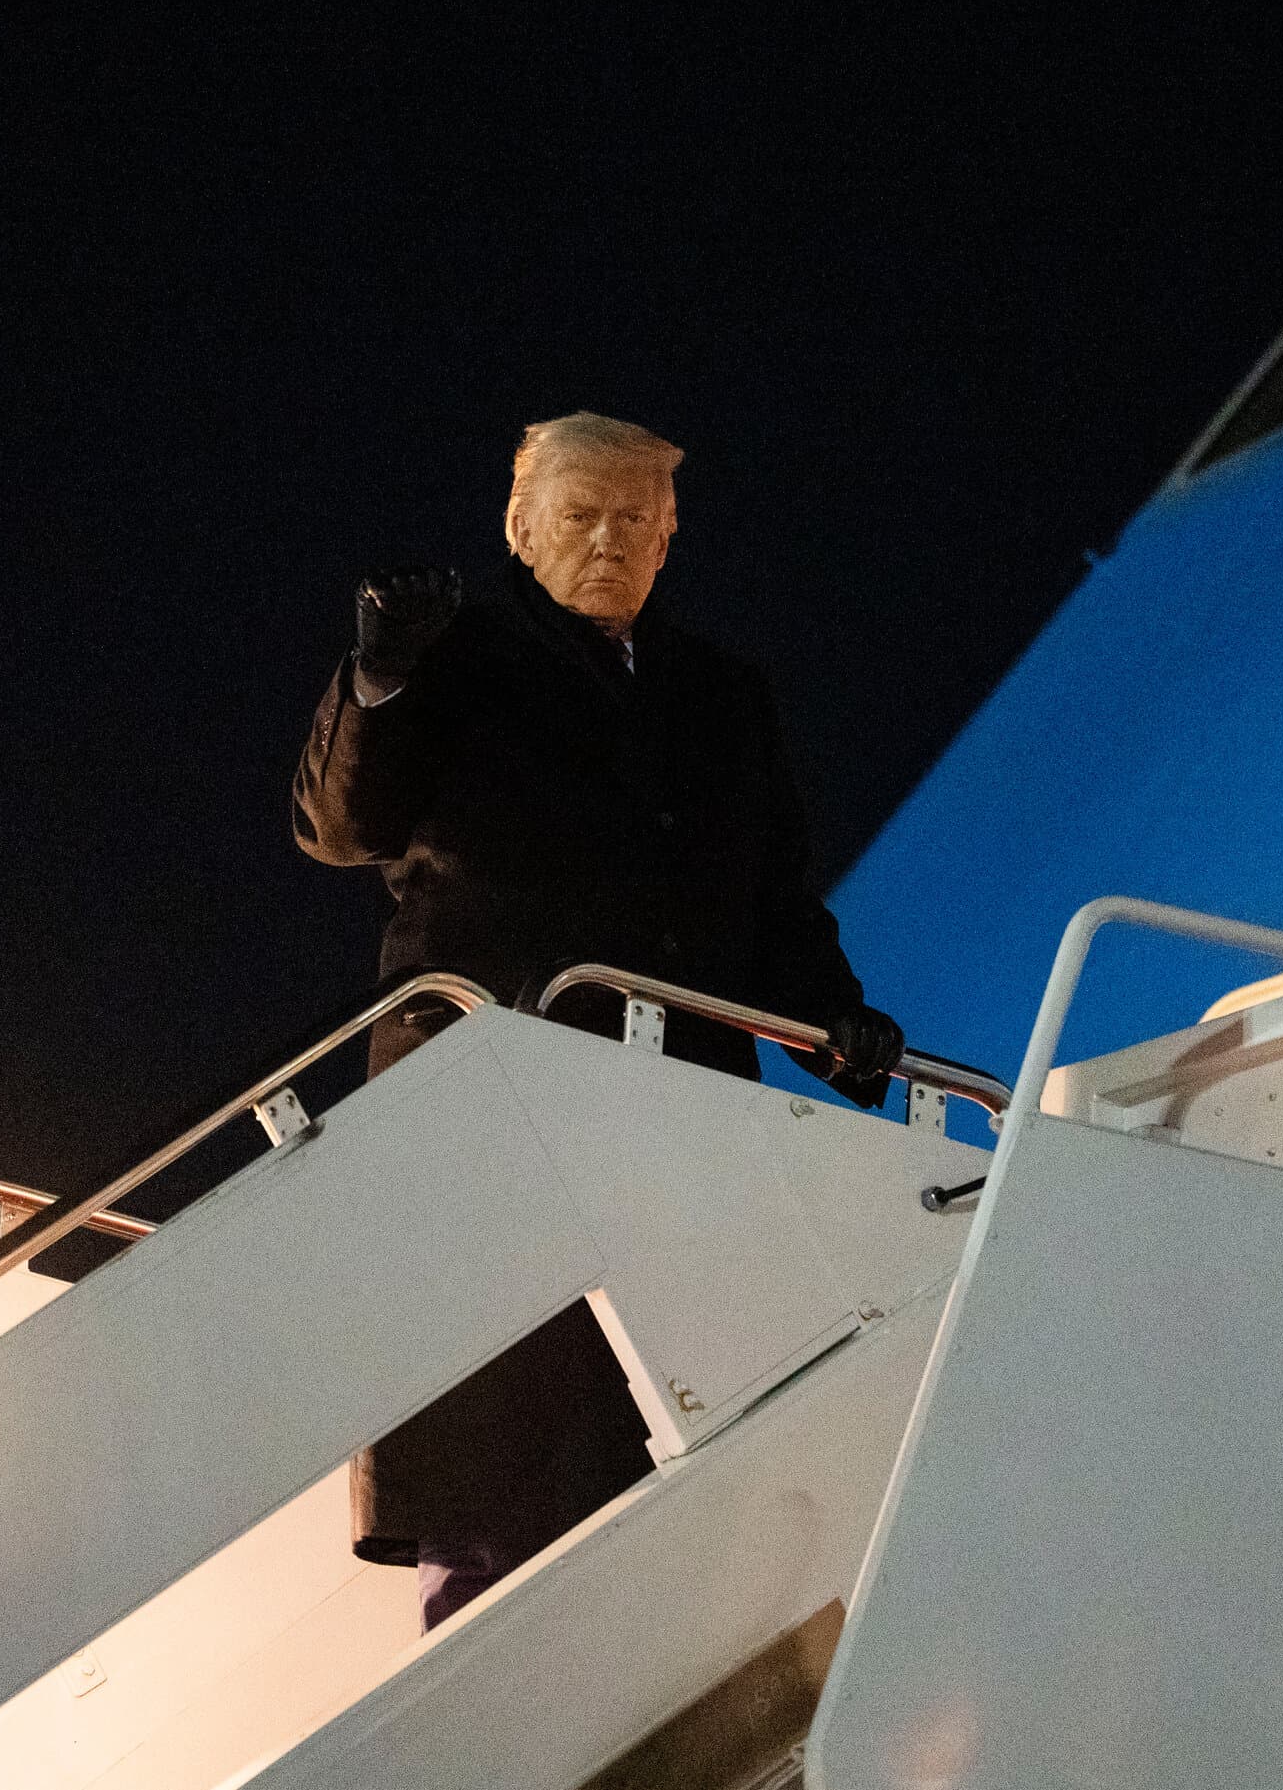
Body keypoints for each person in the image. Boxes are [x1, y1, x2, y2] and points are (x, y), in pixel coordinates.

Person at [293, 411, 904, 1629]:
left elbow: (769, 901)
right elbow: (339, 826)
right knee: (500, 1473)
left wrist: (834, 1018)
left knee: (694, 1468)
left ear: (672, 538)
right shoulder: (450, 663)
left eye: (637, 517)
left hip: (681, 1121)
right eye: (580, 515)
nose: (609, 539)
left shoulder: (725, 696)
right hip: (491, 1116)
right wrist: (382, 677)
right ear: (519, 528)